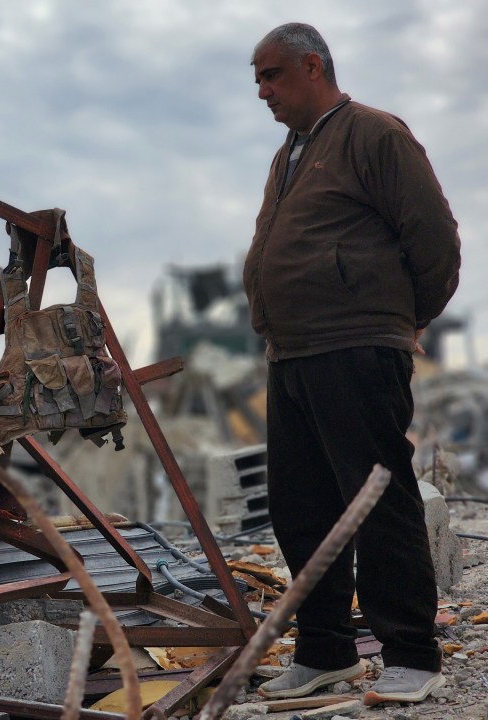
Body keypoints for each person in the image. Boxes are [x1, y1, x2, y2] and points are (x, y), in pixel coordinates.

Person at [243, 23, 461, 705]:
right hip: (294, 352)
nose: (262, 91)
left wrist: (401, 319)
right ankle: (325, 653)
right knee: (300, 509)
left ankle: (411, 657)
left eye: (271, 75)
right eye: (256, 78)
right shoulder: (288, 154)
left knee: (377, 498)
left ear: (312, 66)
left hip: (355, 346)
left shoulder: (372, 134)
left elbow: (433, 239)